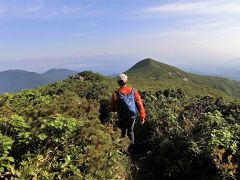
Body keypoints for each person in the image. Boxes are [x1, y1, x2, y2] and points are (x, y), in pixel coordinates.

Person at [111, 74, 145, 148]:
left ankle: (124, 150)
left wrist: (117, 109)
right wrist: (142, 116)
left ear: (118, 82)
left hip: (121, 116)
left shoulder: (115, 93)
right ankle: (132, 149)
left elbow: (113, 108)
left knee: (123, 132)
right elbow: (139, 104)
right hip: (131, 115)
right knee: (130, 131)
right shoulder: (133, 91)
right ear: (126, 81)